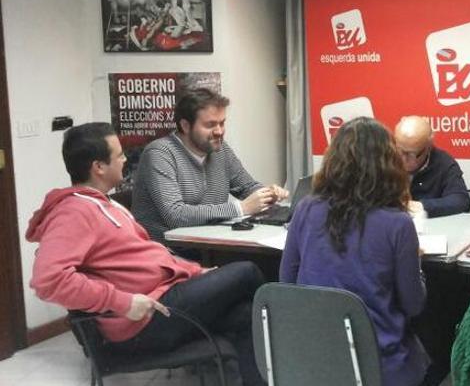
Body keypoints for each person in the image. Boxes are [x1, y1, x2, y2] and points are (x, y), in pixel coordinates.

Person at [27, 122, 265, 386]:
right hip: (144, 320)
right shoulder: (74, 212)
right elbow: (47, 279)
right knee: (247, 271)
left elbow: (148, 257)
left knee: (244, 314)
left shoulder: (104, 203)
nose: (125, 159)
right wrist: (123, 302)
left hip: (163, 297)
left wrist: (197, 273)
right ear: (99, 167)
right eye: (118, 155)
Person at [280, 117, 429, 386]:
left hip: (312, 358)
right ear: (389, 164)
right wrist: (416, 264)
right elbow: (413, 305)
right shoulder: (398, 224)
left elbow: (286, 283)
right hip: (377, 364)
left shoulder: (305, 208)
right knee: (426, 347)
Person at [132, 88, 288, 242]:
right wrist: (241, 208)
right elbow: (176, 215)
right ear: (185, 126)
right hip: (170, 251)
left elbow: (246, 187)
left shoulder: (220, 149)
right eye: (210, 125)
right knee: (256, 264)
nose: (219, 131)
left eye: (222, 123)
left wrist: (267, 194)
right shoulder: (160, 153)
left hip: (209, 243)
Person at [393, 116, 470, 218]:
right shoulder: (384, 159)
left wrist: (422, 206)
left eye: (410, 154)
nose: (403, 158)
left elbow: (461, 201)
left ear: (428, 147)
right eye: (399, 150)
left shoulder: (443, 163)